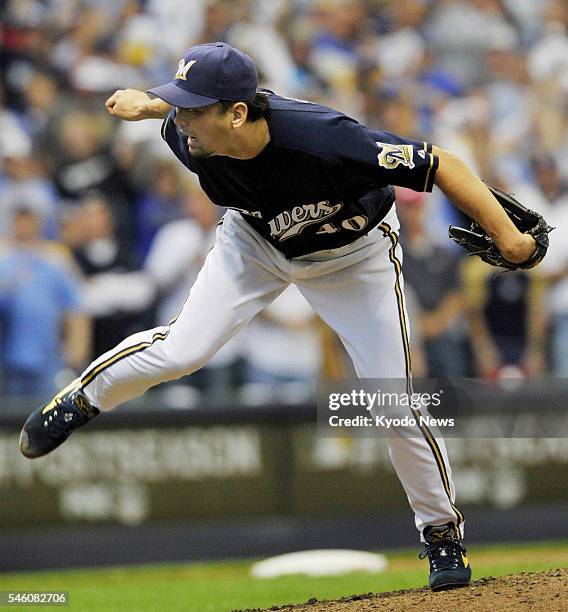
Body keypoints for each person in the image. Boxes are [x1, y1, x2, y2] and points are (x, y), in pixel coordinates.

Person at [19, 42, 538, 591]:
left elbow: (442, 163)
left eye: (192, 108)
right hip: (255, 242)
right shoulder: (188, 134)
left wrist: (508, 237)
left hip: (353, 256)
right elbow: (165, 111)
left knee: (393, 401)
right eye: (178, 106)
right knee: (184, 349)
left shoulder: (323, 136)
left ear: (237, 113)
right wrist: (146, 102)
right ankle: (81, 397)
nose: (181, 119)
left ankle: (441, 534)